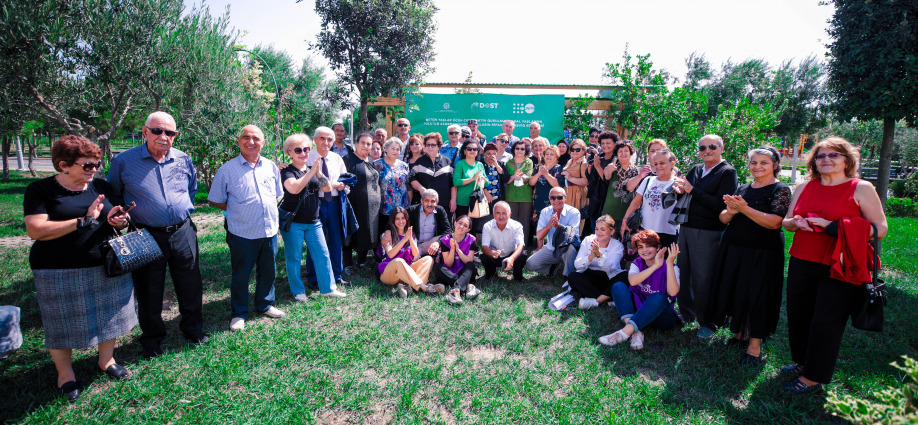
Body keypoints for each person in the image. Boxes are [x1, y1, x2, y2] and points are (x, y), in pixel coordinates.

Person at [25, 135, 136, 401]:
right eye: (87, 165)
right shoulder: (41, 190)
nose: (94, 169)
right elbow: (36, 229)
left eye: (97, 163)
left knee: (110, 316)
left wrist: (120, 220)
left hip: (104, 265)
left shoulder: (100, 186)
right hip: (57, 269)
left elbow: (116, 218)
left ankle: (106, 361)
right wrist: (82, 221)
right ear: (64, 165)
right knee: (60, 323)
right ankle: (66, 375)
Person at [780, 137, 887, 393]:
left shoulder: (860, 187)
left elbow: (880, 229)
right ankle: (802, 361)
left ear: (847, 160)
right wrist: (796, 222)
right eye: (820, 156)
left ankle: (813, 376)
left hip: (839, 265)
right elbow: (786, 221)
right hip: (802, 259)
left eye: (834, 155)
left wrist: (832, 227)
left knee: (826, 320)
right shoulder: (804, 187)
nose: (826, 159)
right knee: (799, 315)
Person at [108, 111, 206, 359]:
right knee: (149, 288)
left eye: (170, 132)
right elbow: (115, 196)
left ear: (175, 135)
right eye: (157, 131)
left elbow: (191, 190)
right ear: (145, 131)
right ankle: (152, 339)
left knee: (190, 283)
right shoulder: (124, 161)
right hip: (146, 234)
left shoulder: (184, 159)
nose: (163, 136)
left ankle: (192, 329)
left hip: (183, 231)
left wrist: (176, 210)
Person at [709, 147, 790, 365]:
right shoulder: (743, 188)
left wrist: (743, 209)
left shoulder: (780, 190)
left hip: (762, 252)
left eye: (764, 162)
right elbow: (724, 218)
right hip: (734, 248)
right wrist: (732, 211)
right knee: (737, 290)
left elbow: (775, 222)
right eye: (754, 162)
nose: (757, 166)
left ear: (775, 165)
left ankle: (754, 346)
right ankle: (738, 334)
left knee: (758, 295)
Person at [208, 125, 286, 331]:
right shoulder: (227, 170)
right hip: (242, 232)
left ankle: (265, 304)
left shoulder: (270, 167)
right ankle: (239, 313)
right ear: (239, 141)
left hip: (269, 231)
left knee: (268, 271)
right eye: (246, 137)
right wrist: (237, 209)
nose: (251, 142)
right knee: (241, 274)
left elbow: (277, 194)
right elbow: (216, 200)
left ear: (263, 142)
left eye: (256, 138)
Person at [673, 134, 738, 338]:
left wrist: (693, 190)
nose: (706, 151)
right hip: (686, 227)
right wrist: (680, 190)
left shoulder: (727, 172)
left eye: (711, 146)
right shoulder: (696, 169)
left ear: (721, 148)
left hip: (709, 230)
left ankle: (708, 321)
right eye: (702, 148)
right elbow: (686, 193)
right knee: (684, 272)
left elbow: (721, 204)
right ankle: (687, 313)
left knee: (703, 277)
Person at [279, 133, 347, 303]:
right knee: (294, 257)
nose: (303, 153)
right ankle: (297, 291)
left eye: (306, 149)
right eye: (298, 150)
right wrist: (312, 172)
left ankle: (328, 288)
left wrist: (317, 173)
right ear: (290, 152)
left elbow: (327, 188)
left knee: (322, 254)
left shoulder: (311, 169)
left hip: (313, 222)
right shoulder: (287, 171)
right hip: (294, 222)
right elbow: (294, 188)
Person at [599, 231, 681, 350]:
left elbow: (673, 292)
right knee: (618, 287)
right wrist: (655, 266)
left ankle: (623, 334)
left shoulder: (672, 267)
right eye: (641, 247)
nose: (644, 250)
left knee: (657, 297)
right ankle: (635, 332)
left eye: (648, 246)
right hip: (639, 310)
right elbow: (633, 281)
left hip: (661, 317)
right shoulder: (637, 263)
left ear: (658, 247)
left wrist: (668, 263)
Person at [304, 126, 351, 288]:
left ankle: (337, 275)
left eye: (329, 139)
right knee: (314, 241)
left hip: (334, 204)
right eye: (322, 138)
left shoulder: (337, 159)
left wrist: (342, 186)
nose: (326, 142)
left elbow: (347, 183)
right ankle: (313, 277)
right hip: (315, 205)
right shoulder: (307, 158)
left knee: (336, 240)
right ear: (315, 139)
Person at [620, 149, 680, 247]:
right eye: (655, 164)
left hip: (668, 232)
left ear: (672, 164)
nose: (658, 166)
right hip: (646, 230)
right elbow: (636, 202)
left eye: (662, 163)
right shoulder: (648, 180)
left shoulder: (677, 183)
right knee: (646, 259)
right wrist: (625, 219)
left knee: (664, 261)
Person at [378, 207, 440, 298]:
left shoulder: (410, 235)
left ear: (406, 219)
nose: (401, 221)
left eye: (403, 218)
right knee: (398, 261)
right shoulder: (387, 235)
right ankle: (423, 286)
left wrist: (410, 239)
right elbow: (390, 254)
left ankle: (408, 287)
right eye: (397, 219)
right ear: (393, 221)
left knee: (428, 259)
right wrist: (404, 240)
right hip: (389, 274)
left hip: (404, 275)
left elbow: (416, 255)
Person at [343, 132, 381, 270]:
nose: (366, 146)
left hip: (371, 207)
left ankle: (361, 262)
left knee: (366, 231)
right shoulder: (348, 159)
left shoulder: (369, 160)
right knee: (350, 233)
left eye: (369, 143)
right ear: (356, 143)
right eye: (363, 142)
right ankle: (347, 265)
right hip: (354, 204)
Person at [569, 215, 625, 310]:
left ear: (612, 231)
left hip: (609, 277)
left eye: (603, 229)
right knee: (572, 277)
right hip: (591, 275)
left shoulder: (617, 246)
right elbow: (577, 265)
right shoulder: (588, 240)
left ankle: (595, 300)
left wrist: (599, 255)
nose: (598, 233)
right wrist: (591, 256)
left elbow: (610, 268)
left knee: (625, 276)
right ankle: (607, 299)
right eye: (596, 229)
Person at [525, 187, 580, 277]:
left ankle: (568, 276)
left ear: (565, 198)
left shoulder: (574, 212)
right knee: (530, 263)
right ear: (549, 199)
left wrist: (558, 226)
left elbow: (571, 235)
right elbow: (539, 236)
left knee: (570, 249)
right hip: (551, 248)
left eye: (559, 197)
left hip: (567, 248)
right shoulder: (545, 212)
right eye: (553, 198)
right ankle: (552, 269)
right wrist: (548, 227)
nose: (556, 200)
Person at [434, 215, 479, 304]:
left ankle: (454, 291)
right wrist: (452, 249)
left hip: (464, 271)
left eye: (465, 226)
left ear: (468, 229)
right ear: (455, 223)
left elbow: (468, 261)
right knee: (437, 267)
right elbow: (448, 264)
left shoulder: (471, 239)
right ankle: (466, 285)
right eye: (460, 223)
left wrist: (458, 250)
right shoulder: (445, 240)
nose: (461, 226)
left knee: (471, 265)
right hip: (450, 272)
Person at [583, 131, 620, 236]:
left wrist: (598, 167)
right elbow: (591, 179)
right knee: (594, 227)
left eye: (608, 143)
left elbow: (608, 182)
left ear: (614, 144)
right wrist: (589, 166)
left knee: (606, 229)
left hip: (608, 200)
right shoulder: (600, 156)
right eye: (603, 143)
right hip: (595, 199)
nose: (605, 146)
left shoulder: (616, 161)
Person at [480, 201, 528, 282]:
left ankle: (518, 275)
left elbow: (521, 245)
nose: (501, 216)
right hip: (495, 255)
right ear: (493, 214)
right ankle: (491, 274)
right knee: (484, 256)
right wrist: (492, 253)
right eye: (498, 213)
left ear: (510, 214)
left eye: (504, 213)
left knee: (523, 254)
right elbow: (484, 246)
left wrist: (512, 258)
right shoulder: (487, 226)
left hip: (511, 254)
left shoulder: (517, 225)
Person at [409, 132, 455, 216]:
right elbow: (412, 178)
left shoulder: (447, 161)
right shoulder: (419, 162)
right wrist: (421, 188)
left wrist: (453, 200)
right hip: (425, 205)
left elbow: (453, 183)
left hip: (444, 204)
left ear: (439, 146)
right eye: (428, 144)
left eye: (433, 145)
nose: (430, 147)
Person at [375, 137, 410, 236]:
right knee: (384, 236)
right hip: (384, 209)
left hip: (402, 209)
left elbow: (408, 187)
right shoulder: (377, 164)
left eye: (398, 149)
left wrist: (408, 207)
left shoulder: (404, 166)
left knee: (400, 237)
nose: (395, 151)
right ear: (385, 149)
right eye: (392, 148)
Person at [530, 145, 565, 240]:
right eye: (547, 154)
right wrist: (539, 173)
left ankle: (551, 244)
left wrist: (546, 174)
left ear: (556, 157)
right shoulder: (538, 167)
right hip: (538, 200)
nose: (549, 156)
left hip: (553, 202)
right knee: (539, 224)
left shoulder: (558, 168)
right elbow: (531, 182)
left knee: (552, 223)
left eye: (552, 154)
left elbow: (557, 186)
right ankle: (539, 246)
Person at [503, 139, 534, 246]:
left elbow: (529, 177)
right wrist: (513, 177)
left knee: (524, 222)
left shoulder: (529, 162)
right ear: (513, 149)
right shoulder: (508, 162)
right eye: (517, 148)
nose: (520, 150)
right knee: (511, 222)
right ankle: (512, 245)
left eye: (522, 148)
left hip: (525, 196)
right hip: (510, 196)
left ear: (526, 150)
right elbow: (506, 179)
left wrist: (520, 177)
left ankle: (522, 246)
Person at [601, 140, 639, 226]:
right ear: (617, 154)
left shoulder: (636, 171)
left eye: (626, 151)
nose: (623, 153)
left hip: (627, 216)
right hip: (609, 215)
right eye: (620, 151)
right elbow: (606, 175)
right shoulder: (613, 167)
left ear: (630, 153)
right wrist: (609, 169)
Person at [408, 189, 453, 255]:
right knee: (415, 257)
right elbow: (397, 220)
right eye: (427, 201)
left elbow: (448, 231)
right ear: (421, 201)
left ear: (437, 202)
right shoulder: (412, 210)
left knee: (446, 239)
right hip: (415, 244)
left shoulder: (440, 211)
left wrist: (438, 242)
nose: (429, 204)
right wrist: (388, 232)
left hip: (431, 245)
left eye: (432, 201)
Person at [452, 139, 486, 219]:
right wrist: (472, 179)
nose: (472, 151)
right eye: (469, 149)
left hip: (477, 202)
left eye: (475, 149)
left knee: (473, 230)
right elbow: (456, 182)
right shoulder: (460, 164)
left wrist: (483, 179)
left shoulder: (480, 165)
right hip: (463, 203)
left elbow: (487, 183)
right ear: (464, 151)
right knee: (462, 227)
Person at [561, 139, 589, 231]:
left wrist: (570, 178)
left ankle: (574, 243)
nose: (575, 152)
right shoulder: (570, 161)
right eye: (573, 149)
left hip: (577, 195)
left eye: (578, 149)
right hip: (567, 193)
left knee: (575, 222)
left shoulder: (583, 163)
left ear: (583, 150)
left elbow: (586, 181)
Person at [478, 142, 506, 232]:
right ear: (484, 154)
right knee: (483, 220)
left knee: (496, 219)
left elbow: (506, 178)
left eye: (494, 154)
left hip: (498, 197)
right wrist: (486, 193)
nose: (491, 156)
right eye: (488, 154)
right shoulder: (480, 164)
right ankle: (480, 241)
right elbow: (478, 180)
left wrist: (496, 165)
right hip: (484, 197)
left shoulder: (500, 164)